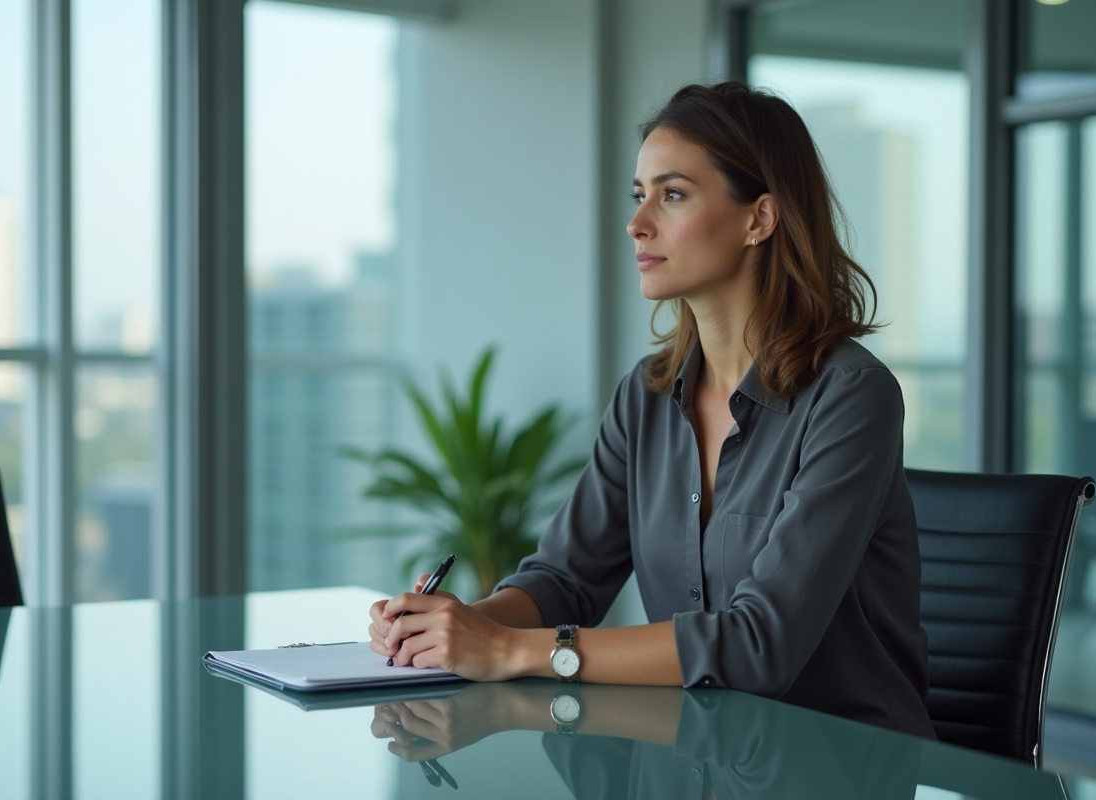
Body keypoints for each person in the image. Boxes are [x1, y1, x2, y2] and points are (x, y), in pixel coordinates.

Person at [368, 80, 935, 738]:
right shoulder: (646, 396)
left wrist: (508, 650)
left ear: (759, 218)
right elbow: (565, 579)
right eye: (639, 195)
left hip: (841, 762)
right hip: (698, 752)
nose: (637, 224)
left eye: (673, 195)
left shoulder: (851, 396)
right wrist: (456, 626)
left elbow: (760, 644)